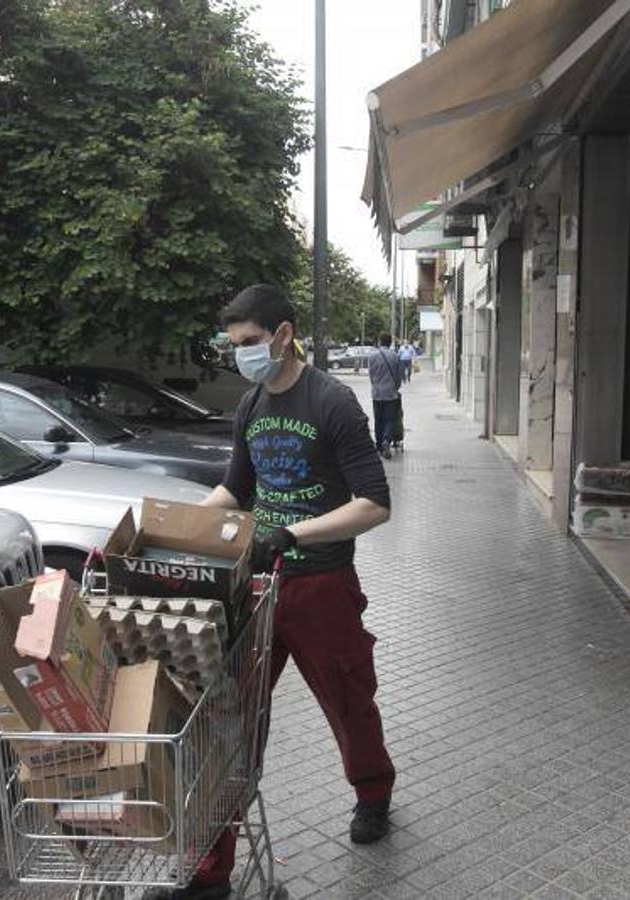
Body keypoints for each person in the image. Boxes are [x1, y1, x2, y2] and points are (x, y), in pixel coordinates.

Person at [147, 285, 396, 900]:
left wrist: (289, 533)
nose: (243, 355)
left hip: (323, 588)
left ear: (283, 335)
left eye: (251, 343)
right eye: (235, 346)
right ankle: (211, 873)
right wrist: (176, 534)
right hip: (257, 591)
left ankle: (372, 791)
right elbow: (235, 490)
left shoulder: (333, 403)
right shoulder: (252, 406)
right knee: (228, 722)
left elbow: (374, 505)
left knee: (348, 701)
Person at [367, 335, 403, 458]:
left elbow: (371, 375)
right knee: (389, 419)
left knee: (378, 419)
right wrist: (395, 387)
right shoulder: (395, 356)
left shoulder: (372, 356)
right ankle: (386, 440)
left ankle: (379, 445)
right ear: (390, 343)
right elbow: (399, 376)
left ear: (379, 342)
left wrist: (375, 385)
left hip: (377, 394)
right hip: (391, 394)